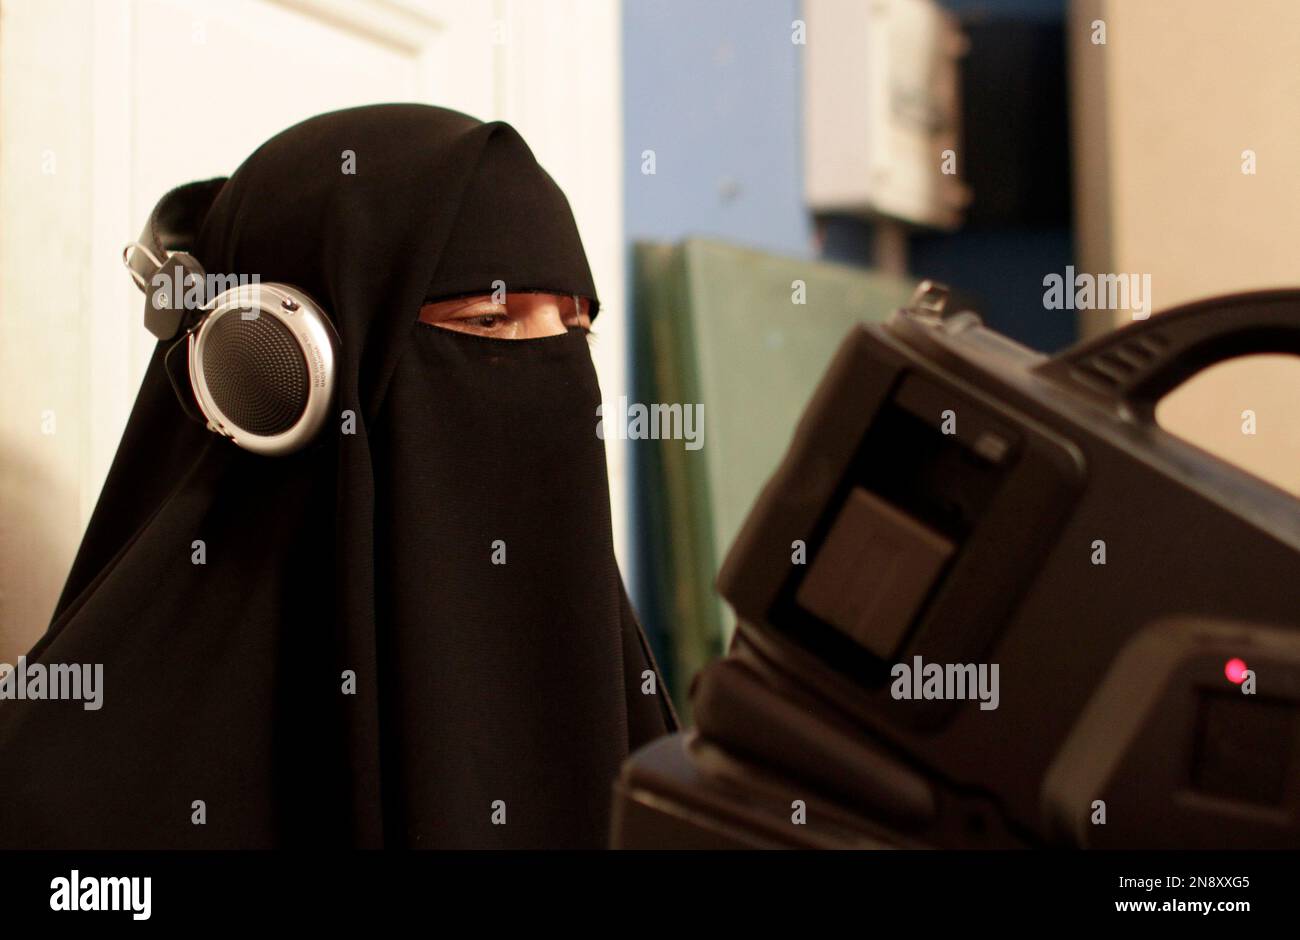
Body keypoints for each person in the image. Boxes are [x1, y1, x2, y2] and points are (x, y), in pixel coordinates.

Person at [0, 103, 678, 849]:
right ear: (271, 371)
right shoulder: (70, 821)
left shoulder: (637, 738)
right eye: (488, 322)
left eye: (575, 327)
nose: (559, 373)